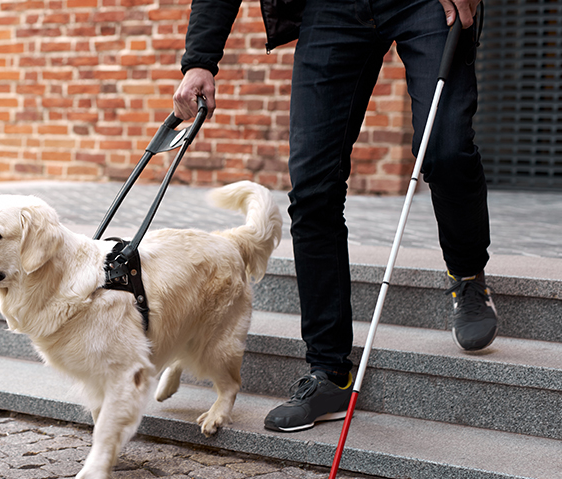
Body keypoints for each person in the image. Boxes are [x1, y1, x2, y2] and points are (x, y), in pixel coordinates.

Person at [173, 0, 498, 433]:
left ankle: (467, 275)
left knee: (445, 150)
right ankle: (330, 372)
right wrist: (200, 60)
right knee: (312, 190)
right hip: (333, 10)